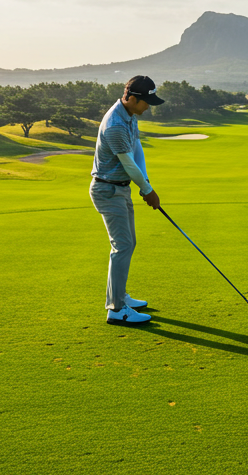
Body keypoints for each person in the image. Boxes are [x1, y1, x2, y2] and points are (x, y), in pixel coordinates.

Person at [91, 75, 164, 325]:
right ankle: (116, 309)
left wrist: (147, 185)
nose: (149, 107)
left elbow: (137, 149)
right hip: (108, 190)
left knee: (128, 244)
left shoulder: (129, 114)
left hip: (120, 189)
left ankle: (119, 296)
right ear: (131, 98)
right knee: (121, 246)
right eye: (146, 102)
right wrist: (147, 190)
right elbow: (128, 163)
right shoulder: (115, 125)